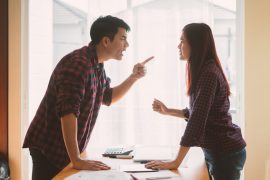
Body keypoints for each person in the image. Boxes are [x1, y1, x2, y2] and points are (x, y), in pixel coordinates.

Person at [23, 15, 154, 180]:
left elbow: (108, 97)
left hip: (66, 149)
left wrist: (133, 77)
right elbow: (68, 112)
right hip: (49, 147)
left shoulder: (97, 64)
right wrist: (77, 159)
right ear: (106, 41)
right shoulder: (79, 63)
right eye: (122, 39)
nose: (126, 45)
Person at [145, 23, 246, 180]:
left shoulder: (209, 74)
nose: (179, 46)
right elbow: (198, 112)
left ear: (196, 45)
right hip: (216, 149)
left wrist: (176, 161)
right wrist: (167, 111)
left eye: (182, 41)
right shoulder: (204, 70)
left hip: (225, 152)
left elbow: (197, 120)